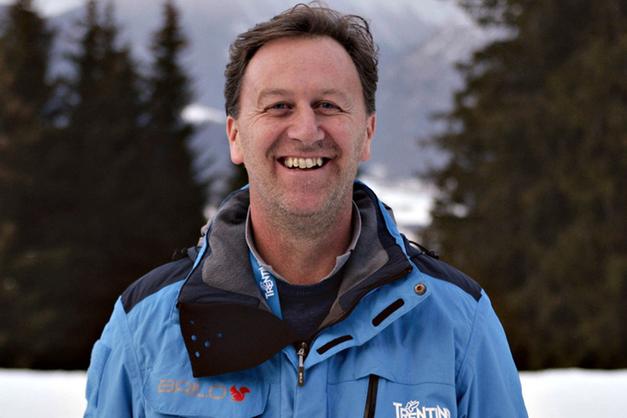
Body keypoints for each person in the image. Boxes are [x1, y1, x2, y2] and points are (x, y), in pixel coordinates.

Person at [84, 4, 528, 417]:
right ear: (235, 136)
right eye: (279, 106)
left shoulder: (457, 322)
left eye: (328, 105)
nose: (306, 130)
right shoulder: (145, 327)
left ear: (367, 133)